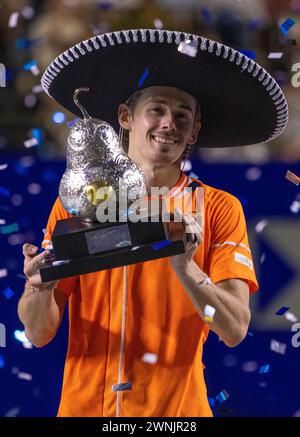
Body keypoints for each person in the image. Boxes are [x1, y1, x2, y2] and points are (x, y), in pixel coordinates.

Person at [18, 29, 288, 417]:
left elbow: (233, 329)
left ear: (194, 131)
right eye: (157, 110)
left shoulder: (217, 207)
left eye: (182, 116)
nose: (169, 124)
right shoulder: (75, 204)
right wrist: (38, 289)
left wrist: (185, 266)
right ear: (126, 118)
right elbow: (38, 333)